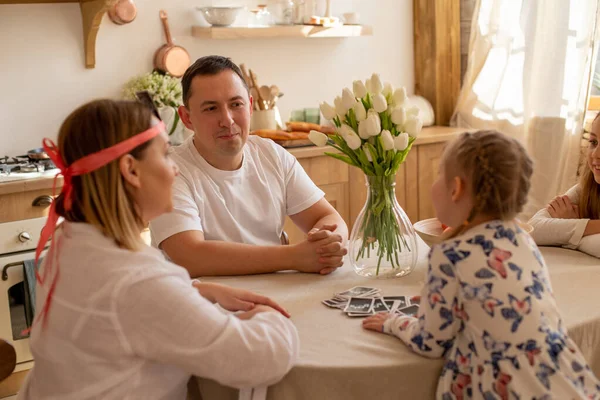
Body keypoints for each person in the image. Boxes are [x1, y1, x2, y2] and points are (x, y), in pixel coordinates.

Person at [17, 100, 299, 400]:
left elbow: (121, 308)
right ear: (131, 170)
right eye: (165, 154)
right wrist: (270, 314)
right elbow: (260, 359)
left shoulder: (70, 238)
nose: (175, 169)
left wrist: (196, 290)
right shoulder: (136, 281)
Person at [362, 130, 600, 398]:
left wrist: (393, 322)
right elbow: (498, 303)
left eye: (440, 175)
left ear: (456, 188)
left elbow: (429, 343)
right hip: (558, 378)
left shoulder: (448, 254)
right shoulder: (523, 238)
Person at [149, 55, 348, 277]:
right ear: (187, 118)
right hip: (204, 302)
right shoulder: (168, 171)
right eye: (211, 109)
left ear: (250, 106)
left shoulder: (271, 154)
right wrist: (294, 257)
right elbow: (190, 256)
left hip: (276, 293)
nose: (227, 120)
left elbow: (328, 218)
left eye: (236, 104)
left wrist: (327, 244)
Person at [528, 115, 600, 258]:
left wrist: (568, 228)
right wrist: (588, 226)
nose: (596, 154)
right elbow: (533, 228)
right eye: (594, 142)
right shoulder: (587, 188)